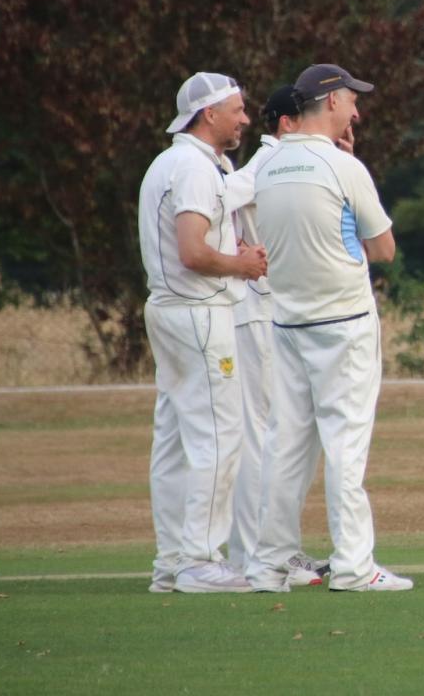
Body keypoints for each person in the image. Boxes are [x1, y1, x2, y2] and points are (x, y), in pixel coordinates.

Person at [245, 63, 411, 592]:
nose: (357, 111)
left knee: (286, 444)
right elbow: (384, 249)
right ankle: (355, 567)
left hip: (288, 321)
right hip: (344, 323)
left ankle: (268, 564)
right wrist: (351, 171)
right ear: (331, 101)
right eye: (351, 101)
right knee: (345, 446)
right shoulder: (344, 166)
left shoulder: (266, 165)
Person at [138, 72, 267, 594]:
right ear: (208, 113)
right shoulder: (192, 167)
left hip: (170, 311)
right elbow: (193, 251)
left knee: (171, 439)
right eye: (237, 110)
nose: (245, 118)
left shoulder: (175, 162)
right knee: (218, 434)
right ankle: (199, 561)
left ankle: (171, 561)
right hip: (197, 311)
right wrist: (242, 265)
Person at [224, 86, 325, 588]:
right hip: (260, 311)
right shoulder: (267, 161)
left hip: (282, 312)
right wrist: (234, 251)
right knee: (265, 435)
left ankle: (275, 551)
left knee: (283, 435)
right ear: (287, 123)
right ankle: (258, 556)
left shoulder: (296, 162)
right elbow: (219, 198)